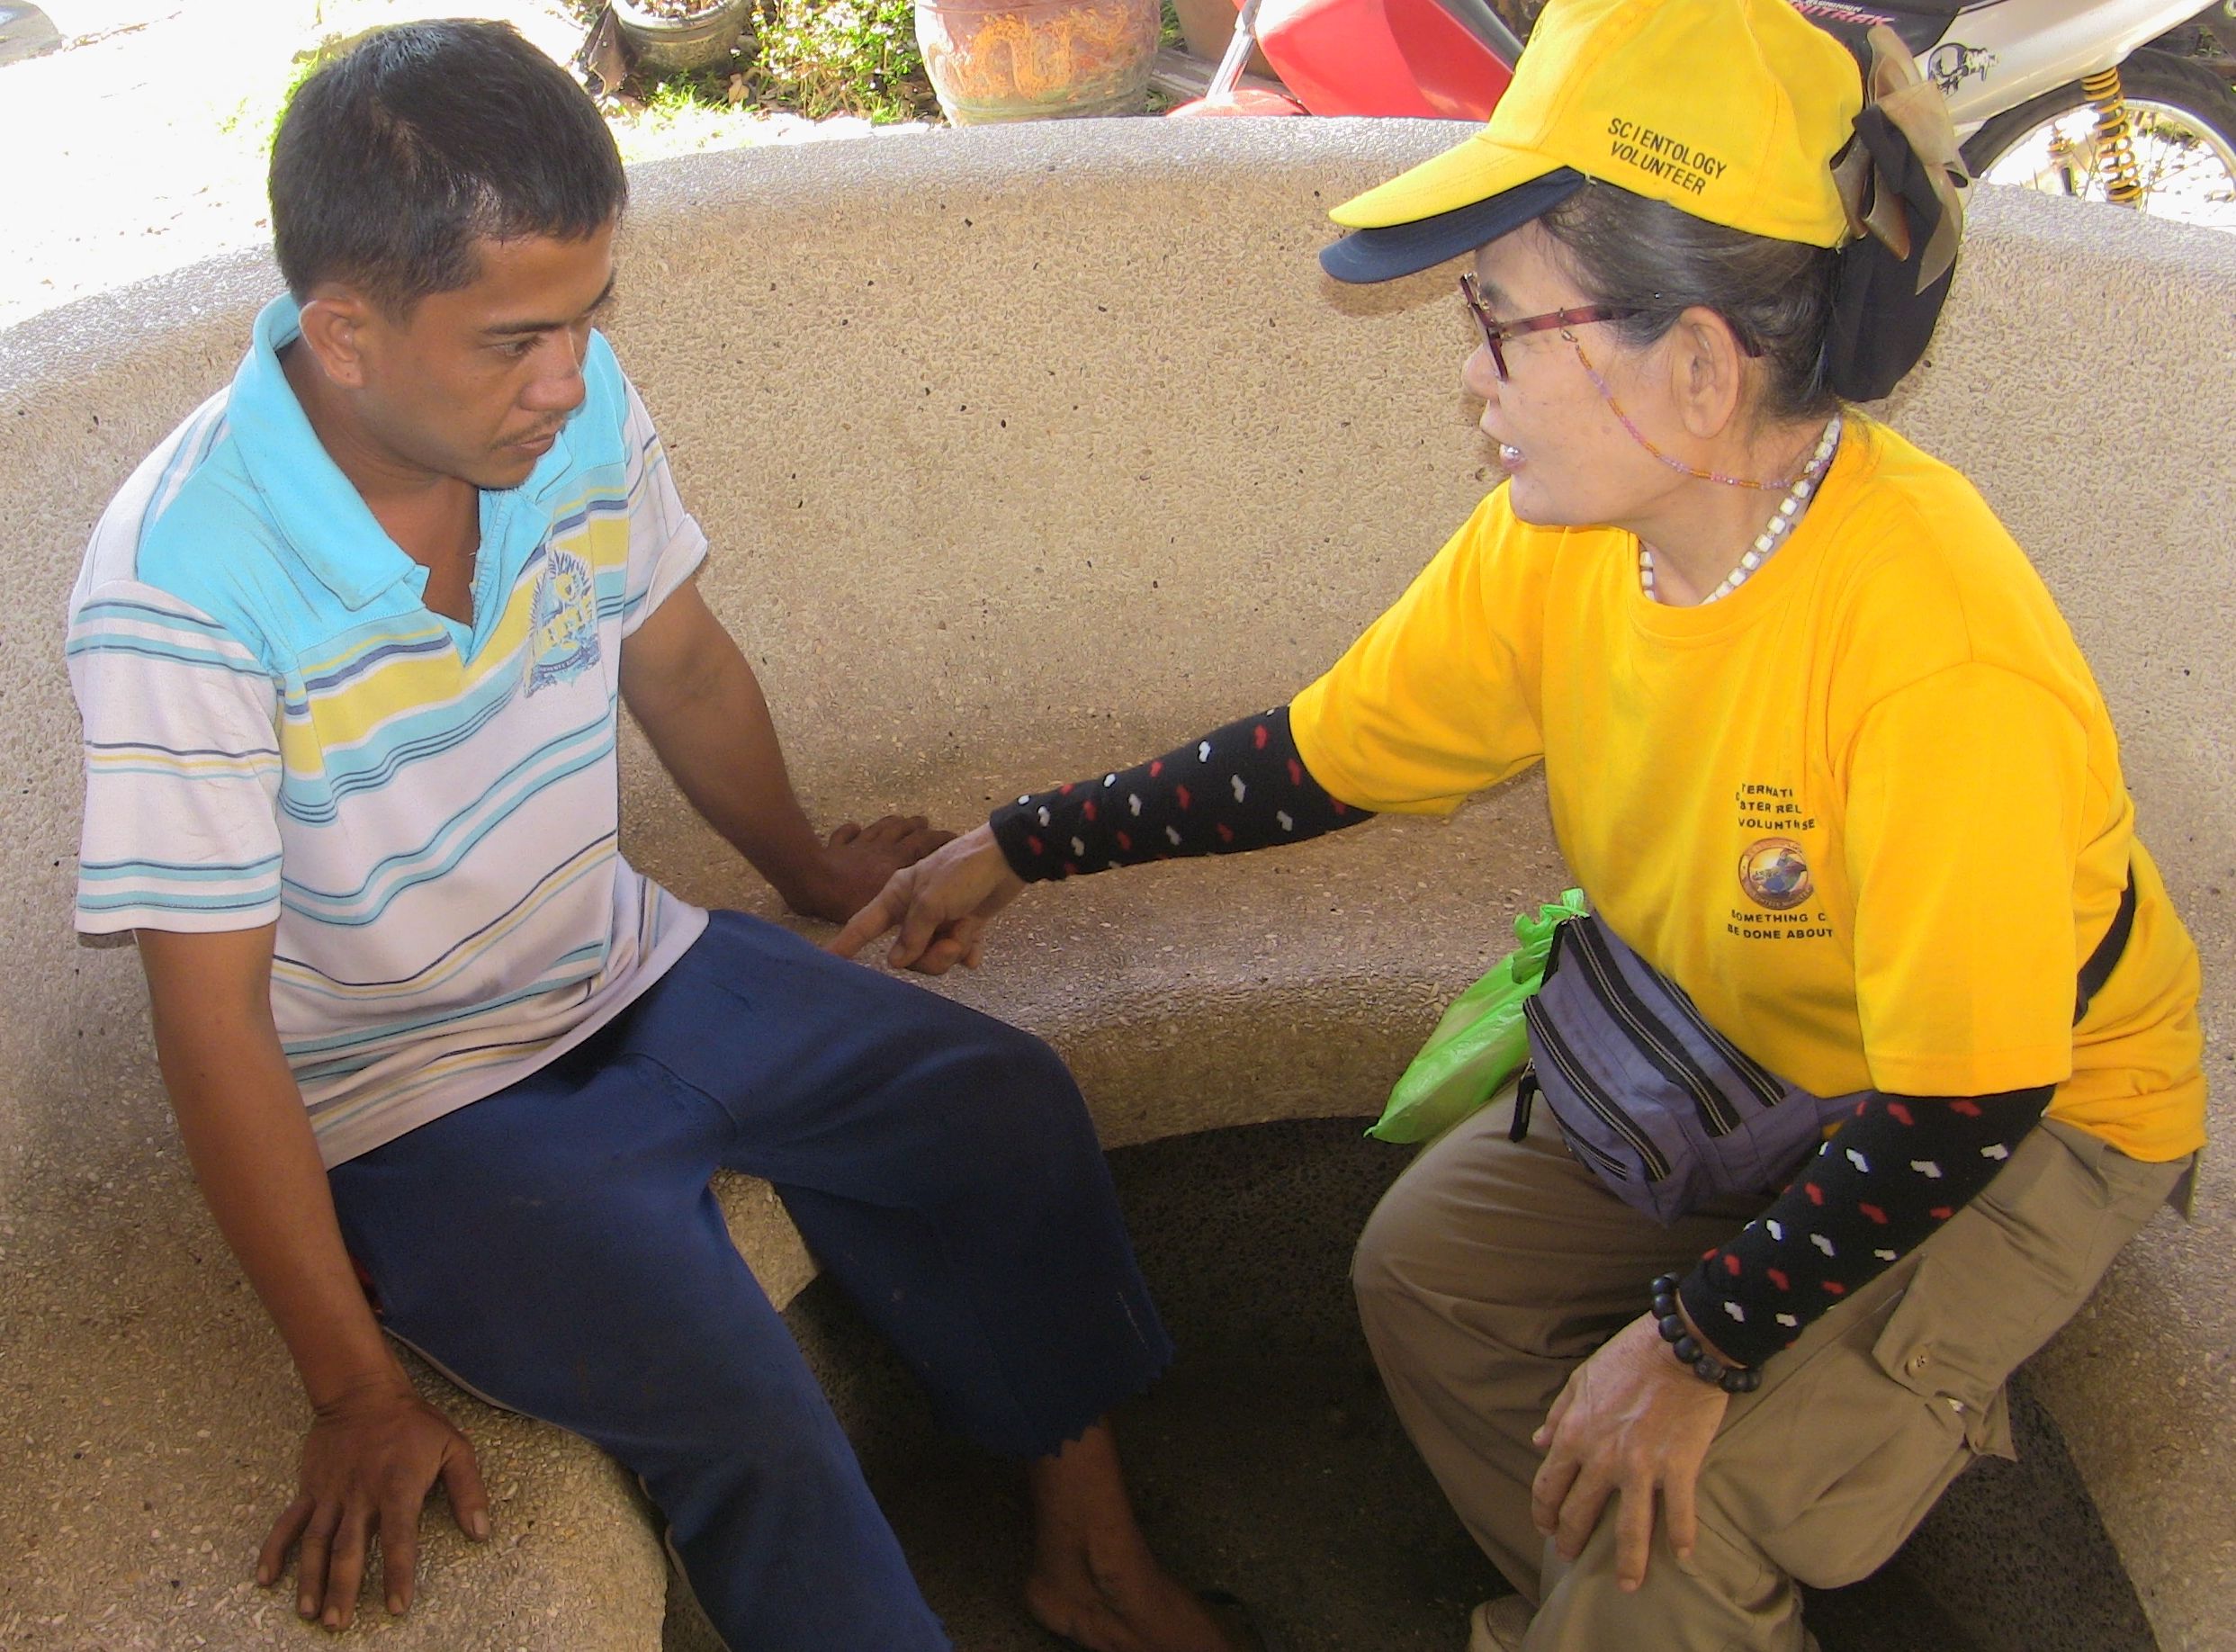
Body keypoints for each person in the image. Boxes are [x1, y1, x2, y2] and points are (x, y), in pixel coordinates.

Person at [833, 2, 2209, 1648]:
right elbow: (1321, 759)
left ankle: (1648, 1615)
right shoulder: (1566, 532)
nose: (1470, 377)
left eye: (1498, 322)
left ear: (1696, 364)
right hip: (1776, 1043)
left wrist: (1691, 1349)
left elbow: (1968, 1095)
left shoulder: (1928, 655)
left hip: (2022, 1110)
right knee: (1432, 1277)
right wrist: (1011, 845)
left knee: (1673, 1534)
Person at [64, 22, 1256, 1652]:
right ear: (342, 333)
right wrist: (348, 1387)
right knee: (741, 1402)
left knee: (1000, 1105)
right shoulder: (181, 582)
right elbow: (207, 1027)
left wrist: (801, 873)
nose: (569, 381)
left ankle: (1089, 1561)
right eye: (514, 342)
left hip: (625, 958)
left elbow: (677, 658)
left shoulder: (564, 404)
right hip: (408, 1097)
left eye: (588, 318)